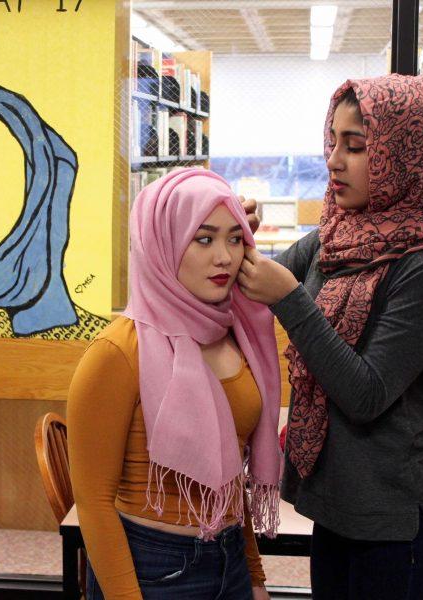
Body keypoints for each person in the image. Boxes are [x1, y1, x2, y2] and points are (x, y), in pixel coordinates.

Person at [237, 73, 423, 600]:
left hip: (402, 529)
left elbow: (367, 394)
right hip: (341, 513)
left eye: (356, 146)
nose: (334, 160)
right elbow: (245, 291)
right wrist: (232, 234)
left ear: (406, 154)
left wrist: (291, 300)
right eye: (333, 142)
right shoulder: (339, 233)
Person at [68, 168, 282, 600]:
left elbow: (227, 478)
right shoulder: (118, 352)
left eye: (234, 238)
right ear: (163, 244)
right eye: (203, 238)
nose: (224, 257)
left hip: (229, 561)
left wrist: (254, 576)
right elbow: (92, 504)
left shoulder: (236, 334)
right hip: (154, 570)